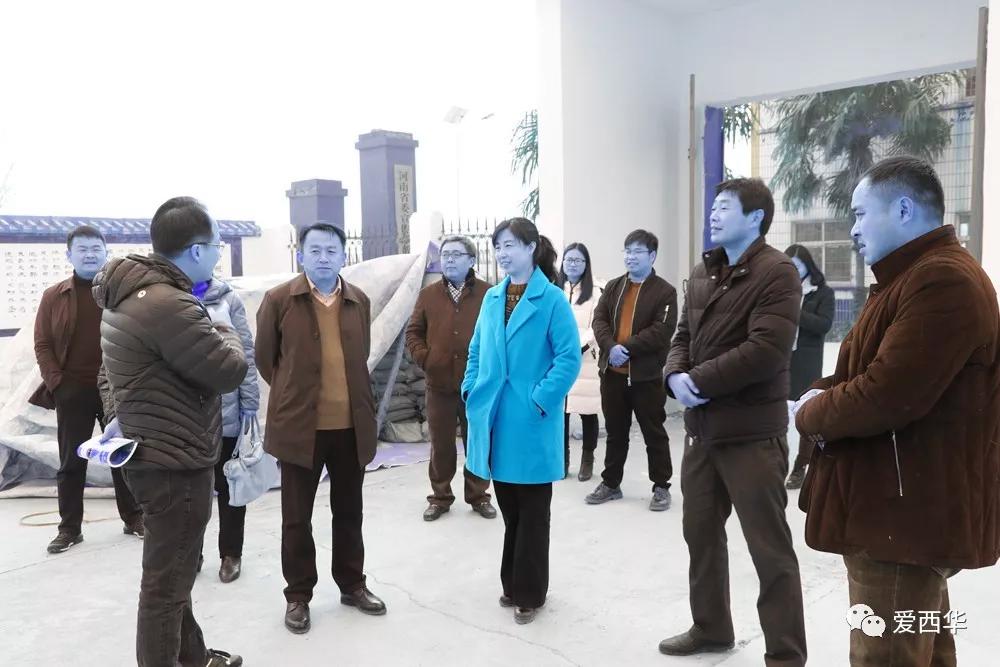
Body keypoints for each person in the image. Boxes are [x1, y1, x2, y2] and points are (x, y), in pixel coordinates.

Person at [794, 156, 1000, 667]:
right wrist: (821, 393)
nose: (854, 229)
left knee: (885, 655)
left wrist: (809, 414)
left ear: (904, 210)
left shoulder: (941, 281)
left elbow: (886, 396)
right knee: (927, 649)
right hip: (901, 514)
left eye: (861, 214)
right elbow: (868, 370)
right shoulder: (909, 278)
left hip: (901, 520)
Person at [94, 197, 248, 667]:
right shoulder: (169, 304)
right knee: (164, 587)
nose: (218, 255)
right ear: (197, 250)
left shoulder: (129, 294)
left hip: (150, 452)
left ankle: (194, 657)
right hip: (173, 461)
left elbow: (112, 375)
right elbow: (228, 370)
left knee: (173, 570)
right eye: (217, 246)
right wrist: (224, 329)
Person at [661, 178, 806, 665]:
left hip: (752, 436)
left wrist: (696, 381)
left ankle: (785, 654)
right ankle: (711, 628)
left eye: (725, 207)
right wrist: (673, 376)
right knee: (700, 535)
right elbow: (683, 334)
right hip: (702, 433)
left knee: (770, 551)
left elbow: (766, 350)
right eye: (714, 206)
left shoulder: (777, 272)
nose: (714, 214)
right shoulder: (704, 270)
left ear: (756, 217)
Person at [255, 222, 387, 635]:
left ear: (344, 256)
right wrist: (296, 395)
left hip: (350, 428)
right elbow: (266, 360)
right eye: (315, 250)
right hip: (301, 430)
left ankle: (352, 584)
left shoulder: (358, 300)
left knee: (349, 512)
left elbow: (360, 356)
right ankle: (298, 595)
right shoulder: (279, 300)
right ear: (301, 255)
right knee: (297, 518)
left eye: (332, 250)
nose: (324, 258)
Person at [462, 218, 580, 625]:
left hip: (530, 420)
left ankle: (530, 593)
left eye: (510, 245)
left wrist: (540, 399)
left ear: (531, 248)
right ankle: (512, 583)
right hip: (495, 417)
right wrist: (470, 388)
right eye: (498, 246)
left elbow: (569, 358)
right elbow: (476, 349)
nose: (502, 253)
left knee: (533, 514)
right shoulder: (493, 298)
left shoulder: (552, 300)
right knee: (511, 510)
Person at [30, 225, 143, 554]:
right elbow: (42, 344)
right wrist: (58, 383)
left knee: (123, 456)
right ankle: (69, 529)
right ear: (69, 255)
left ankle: (134, 517)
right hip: (73, 389)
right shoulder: (54, 296)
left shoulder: (121, 293)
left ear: (106, 252)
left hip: (116, 390)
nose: (90, 254)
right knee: (71, 462)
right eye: (82, 249)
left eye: (96, 248)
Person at [405, 235, 496, 521]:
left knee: (477, 443)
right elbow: (413, 332)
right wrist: (426, 359)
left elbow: (499, 334)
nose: (450, 260)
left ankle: (479, 496)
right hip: (439, 384)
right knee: (441, 445)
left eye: (457, 255)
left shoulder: (489, 294)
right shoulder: (428, 295)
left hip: (477, 386)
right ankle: (440, 497)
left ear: (472, 260)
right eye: (445, 255)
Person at [585, 229, 677, 511]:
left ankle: (661, 486)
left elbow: (661, 331)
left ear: (652, 256)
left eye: (638, 251)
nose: (631, 257)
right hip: (612, 375)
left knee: (654, 433)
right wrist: (610, 346)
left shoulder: (665, 292)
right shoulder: (614, 287)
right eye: (627, 251)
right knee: (615, 432)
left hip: (646, 377)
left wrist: (625, 348)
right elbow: (599, 319)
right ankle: (611, 483)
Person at [193, 277, 260, 582]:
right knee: (189, 491)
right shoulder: (167, 296)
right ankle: (190, 552)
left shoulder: (228, 299)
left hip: (227, 410)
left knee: (230, 485)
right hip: (186, 413)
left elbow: (245, 353)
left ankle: (231, 553)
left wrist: (250, 402)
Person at [782, 244, 834, 490]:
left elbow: (824, 325)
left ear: (808, 265)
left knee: (806, 415)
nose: (794, 270)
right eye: (790, 265)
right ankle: (774, 464)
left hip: (806, 360)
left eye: (798, 265)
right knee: (775, 413)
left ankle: (801, 467)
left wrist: (795, 312)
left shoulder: (822, 292)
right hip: (781, 358)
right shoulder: (781, 289)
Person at [558, 242, 601, 481]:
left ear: (586, 264)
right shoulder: (555, 290)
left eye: (578, 260)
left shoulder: (595, 292)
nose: (572, 264)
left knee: (587, 411)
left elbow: (597, 326)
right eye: (569, 259)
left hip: (585, 359)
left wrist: (575, 347)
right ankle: (562, 459)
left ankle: (587, 459)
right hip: (557, 360)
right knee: (561, 413)